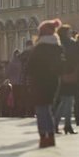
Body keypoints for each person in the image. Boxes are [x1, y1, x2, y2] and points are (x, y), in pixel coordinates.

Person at [27, 19, 64, 148]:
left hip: (39, 81)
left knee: (41, 109)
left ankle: (44, 136)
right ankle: (51, 136)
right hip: (53, 81)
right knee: (47, 108)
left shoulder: (40, 48)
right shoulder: (57, 47)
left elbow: (30, 66)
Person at [54, 25, 79, 134]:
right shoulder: (70, 44)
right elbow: (75, 58)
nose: (70, 33)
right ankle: (64, 125)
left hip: (63, 74)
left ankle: (60, 124)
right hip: (70, 73)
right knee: (67, 100)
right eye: (69, 32)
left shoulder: (59, 44)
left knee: (66, 101)